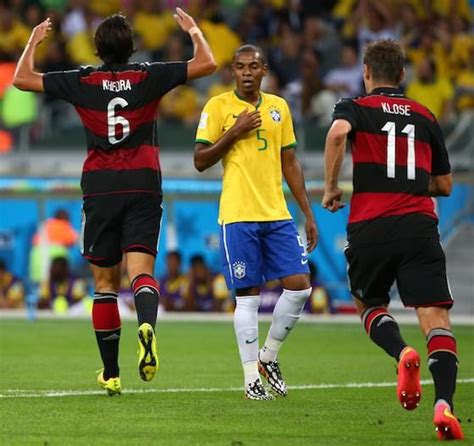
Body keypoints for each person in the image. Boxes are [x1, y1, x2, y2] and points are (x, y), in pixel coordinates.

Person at [13, 9, 216, 396]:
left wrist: (33, 41)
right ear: (132, 48)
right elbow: (206, 63)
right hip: (142, 182)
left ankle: (111, 373)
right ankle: (147, 326)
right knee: (140, 273)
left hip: (101, 186)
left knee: (105, 284)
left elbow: (22, 79)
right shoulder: (149, 75)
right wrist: (192, 29)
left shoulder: (82, 80)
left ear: (97, 49)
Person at [322, 39, 464, 440]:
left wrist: (331, 187)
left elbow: (336, 136)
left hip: (371, 224)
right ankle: (444, 406)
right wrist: (411, 180)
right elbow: (446, 185)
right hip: (418, 225)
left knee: (368, 302)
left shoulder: (353, 107)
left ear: (366, 73)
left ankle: (402, 353)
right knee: (435, 318)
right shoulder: (425, 115)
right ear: (402, 75)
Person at [194, 44, 318, 400]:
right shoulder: (218, 107)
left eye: (253, 66)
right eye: (240, 67)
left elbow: (290, 163)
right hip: (237, 215)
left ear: (264, 70)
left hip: (277, 213)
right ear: (232, 70)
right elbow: (200, 160)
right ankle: (251, 379)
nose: (247, 72)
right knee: (247, 298)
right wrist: (236, 130)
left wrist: (307, 213)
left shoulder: (279, 107)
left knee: (299, 287)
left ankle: (269, 356)